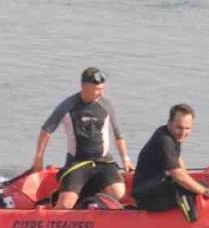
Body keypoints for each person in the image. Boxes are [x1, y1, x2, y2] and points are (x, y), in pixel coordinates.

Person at [31, 67, 133, 209]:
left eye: (102, 88)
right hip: (77, 163)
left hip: (103, 162)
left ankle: (91, 201)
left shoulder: (106, 105)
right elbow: (46, 130)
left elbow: (118, 135)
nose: (101, 93)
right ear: (84, 86)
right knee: (65, 205)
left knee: (119, 194)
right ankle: (64, 200)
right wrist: (39, 157)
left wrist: (126, 159)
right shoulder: (68, 106)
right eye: (97, 89)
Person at [132, 103, 209, 222]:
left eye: (187, 128)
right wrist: (204, 191)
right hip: (147, 197)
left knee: (201, 185)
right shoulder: (164, 141)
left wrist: (201, 186)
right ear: (170, 124)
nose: (183, 132)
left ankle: (208, 216)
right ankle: (193, 224)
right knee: (188, 190)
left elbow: (177, 161)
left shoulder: (172, 135)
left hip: (159, 186)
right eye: (179, 127)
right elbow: (178, 175)